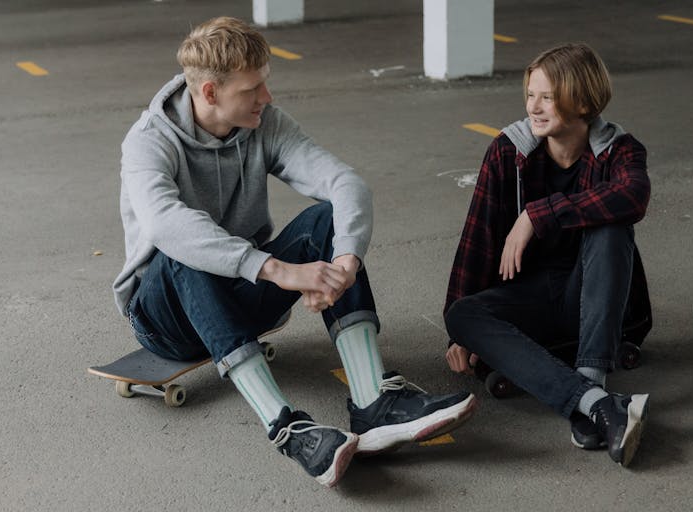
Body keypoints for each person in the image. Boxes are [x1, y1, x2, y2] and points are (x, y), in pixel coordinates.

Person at [113, 16, 476, 487]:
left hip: (241, 295)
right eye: (253, 88)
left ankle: (373, 404)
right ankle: (287, 428)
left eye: (266, 83)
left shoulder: (263, 124)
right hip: (166, 318)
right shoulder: (148, 142)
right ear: (209, 93)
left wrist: (345, 261)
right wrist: (277, 269)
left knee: (328, 221)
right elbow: (167, 224)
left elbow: (345, 184)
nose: (267, 97)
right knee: (182, 249)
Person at [443, 43, 652, 467]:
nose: (533, 107)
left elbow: (634, 195)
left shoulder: (619, 150)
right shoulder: (508, 151)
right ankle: (597, 404)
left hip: (596, 296)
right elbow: (477, 238)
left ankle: (590, 375)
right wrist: (459, 336)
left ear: (582, 100)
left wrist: (538, 215)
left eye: (548, 96)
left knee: (612, 225)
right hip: (533, 294)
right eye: (530, 95)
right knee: (462, 315)